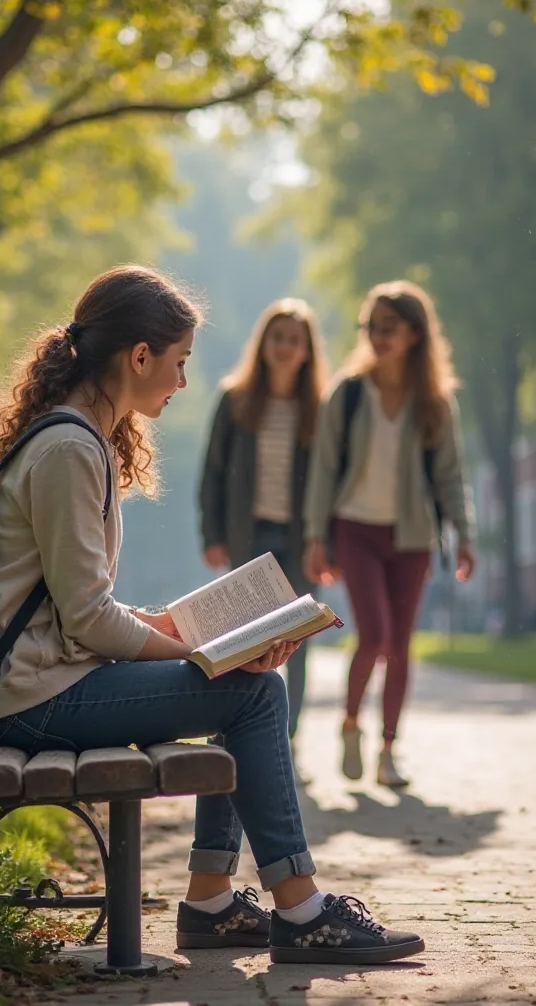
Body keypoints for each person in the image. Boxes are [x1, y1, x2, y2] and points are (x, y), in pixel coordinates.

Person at [0, 265, 424, 964]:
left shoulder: (78, 438)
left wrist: (191, 633)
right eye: (178, 362)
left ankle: (213, 902)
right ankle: (300, 911)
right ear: (140, 355)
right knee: (252, 693)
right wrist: (197, 653)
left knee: (241, 690)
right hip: (34, 700)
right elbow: (88, 622)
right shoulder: (68, 448)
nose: (182, 381)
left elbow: (78, 609)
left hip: (42, 683)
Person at [303, 280, 475, 789]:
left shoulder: (435, 402)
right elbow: (323, 469)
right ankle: (351, 723)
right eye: (372, 328)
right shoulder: (349, 393)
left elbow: (450, 474)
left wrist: (464, 535)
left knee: (401, 643)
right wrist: (317, 536)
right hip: (355, 528)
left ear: (415, 335)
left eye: (389, 329)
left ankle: (389, 749)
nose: (378, 337)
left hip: (414, 537)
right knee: (373, 634)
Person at [199, 299, 328, 751]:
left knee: (299, 636)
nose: (285, 347)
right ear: (264, 343)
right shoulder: (236, 400)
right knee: (247, 637)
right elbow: (213, 470)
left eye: (295, 340)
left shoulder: (319, 408)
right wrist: (211, 535)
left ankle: (287, 735)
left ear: (307, 350)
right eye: (278, 337)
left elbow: (332, 480)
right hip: (247, 534)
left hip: (301, 538)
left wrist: (327, 541)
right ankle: (242, 726)